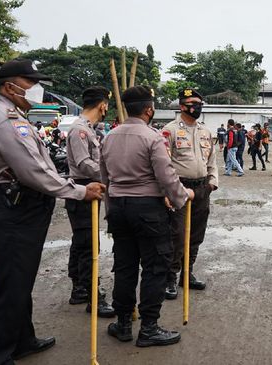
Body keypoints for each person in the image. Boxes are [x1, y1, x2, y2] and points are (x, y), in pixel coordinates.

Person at [0, 59, 105, 364]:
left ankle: (22, 339)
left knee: (20, 281)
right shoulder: (5, 120)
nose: (36, 90)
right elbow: (34, 171)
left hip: (17, 208)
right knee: (8, 286)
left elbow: (42, 165)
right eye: (30, 84)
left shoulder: (14, 116)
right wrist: (80, 191)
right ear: (9, 86)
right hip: (10, 210)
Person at [101, 85, 195, 347]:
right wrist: (182, 197)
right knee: (155, 267)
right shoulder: (152, 138)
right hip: (147, 210)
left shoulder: (109, 137)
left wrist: (110, 210)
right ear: (149, 109)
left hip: (119, 207)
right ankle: (149, 327)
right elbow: (166, 176)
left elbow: (104, 177)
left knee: (125, 265)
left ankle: (122, 323)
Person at [162, 88, 219, 300]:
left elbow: (212, 160)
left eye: (199, 103)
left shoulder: (205, 131)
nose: (197, 106)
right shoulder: (170, 130)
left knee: (196, 233)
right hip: (179, 187)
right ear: (181, 106)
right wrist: (168, 191)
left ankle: (187, 273)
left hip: (202, 187)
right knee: (177, 234)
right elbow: (164, 164)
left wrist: (212, 182)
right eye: (192, 103)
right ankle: (171, 276)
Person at [64, 86, 114, 318]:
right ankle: (94, 296)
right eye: (107, 106)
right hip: (84, 189)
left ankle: (79, 288)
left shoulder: (88, 129)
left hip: (86, 189)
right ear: (103, 105)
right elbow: (85, 163)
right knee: (88, 246)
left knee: (81, 242)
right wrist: (109, 175)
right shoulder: (80, 130)